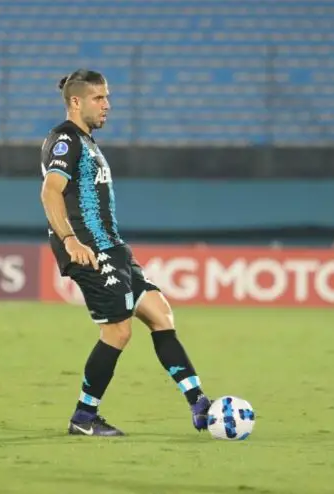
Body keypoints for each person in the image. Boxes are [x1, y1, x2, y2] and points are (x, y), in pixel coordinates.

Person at [39, 69, 211, 437]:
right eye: (99, 98)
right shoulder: (65, 141)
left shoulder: (88, 143)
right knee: (118, 331)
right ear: (76, 101)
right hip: (90, 249)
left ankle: (199, 403)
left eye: (107, 97)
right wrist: (70, 240)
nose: (107, 105)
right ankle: (83, 417)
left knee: (160, 313)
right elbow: (51, 192)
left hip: (113, 247)